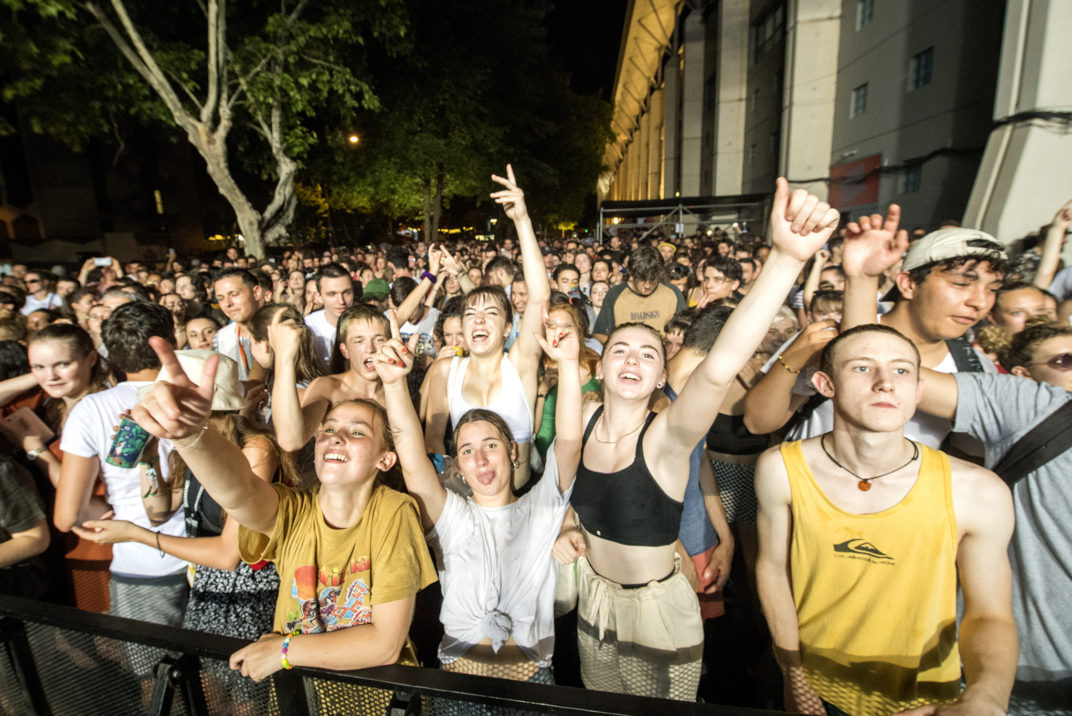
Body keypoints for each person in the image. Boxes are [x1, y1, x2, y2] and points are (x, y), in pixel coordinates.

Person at [555, 178, 840, 701]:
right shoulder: (587, 419)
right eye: (621, 349)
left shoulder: (667, 436)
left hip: (656, 612)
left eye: (648, 353)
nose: (633, 358)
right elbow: (567, 467)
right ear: (603, 364)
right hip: (594, 602)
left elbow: (718, 368)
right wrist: (569, 362)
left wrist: (784, 259)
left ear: (662, 376)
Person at [129, 338, 437, 681]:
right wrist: (189, 435)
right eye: (329, 429)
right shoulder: (294, 511)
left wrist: (285, 651)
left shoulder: (394, 512)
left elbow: (384, 644)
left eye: (357, 432)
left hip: (373, 699)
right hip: (299, 696)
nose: (336, 437)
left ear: (385, 459)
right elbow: (240, 490)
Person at [755, 324, 1017, 715]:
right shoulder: (781, 468)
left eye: (900, 371)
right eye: (862, 368)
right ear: (826, 385)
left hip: (927, 700)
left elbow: (990, 613)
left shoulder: (977, 491)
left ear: (918, 391)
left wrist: (986, 696)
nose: (884, 384)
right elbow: (774, 570)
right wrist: (793, 673)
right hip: (818, 689)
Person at [377, 311, 579, 687]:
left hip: (532, 686)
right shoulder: (449, 516)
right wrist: (393, 384)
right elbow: (411, 455)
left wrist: (567, 364)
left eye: (491, 445)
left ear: (513, 453)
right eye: (467, 451)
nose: (481, 459)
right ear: (459, 464)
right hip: (457, 688)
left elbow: (568, 443)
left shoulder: (541, 508)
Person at [73, 351, 294, 644]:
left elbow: (228, 556)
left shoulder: (256, 449)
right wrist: (148, 457)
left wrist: (136, 535)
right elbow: (158, 513)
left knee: (243, 685)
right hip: (204, 585)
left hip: (247, 594)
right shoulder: (187, 449)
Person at [909, 321, 1072, 714]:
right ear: (1022, 374)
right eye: (1066, 360)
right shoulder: (1034, 408)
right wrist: (862, 278)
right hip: (999, 684)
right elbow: (875, 367)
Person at [55, 302, 189, 626]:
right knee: (224, 668)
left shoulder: (91, 410)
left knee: (153, 673)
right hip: (212, 552)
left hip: (142, 563)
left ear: (109, 354)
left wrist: (107, 514)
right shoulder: (198, 395)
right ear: (169, 341)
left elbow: (66, 515)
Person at [424, 166, 550, 490]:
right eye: (471, 315)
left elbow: (539, 296)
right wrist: (461, 492)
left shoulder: (519, 365)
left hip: (520, 500)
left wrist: (522, 220)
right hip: (467, 505)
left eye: (491, 314)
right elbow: (433, 443)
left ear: (508, 328)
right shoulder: (445, 372)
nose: (479, 320)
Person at [592, 246, 685, 342]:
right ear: (631, 273)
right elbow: (600, 333)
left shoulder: (672, 292)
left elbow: (684, 331)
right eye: (642, 279)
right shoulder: (615, 294)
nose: (647, 285)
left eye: (653, 279)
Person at [212, 268, 264, 380]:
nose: (227, 303)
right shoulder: (221, 338)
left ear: (256, 292)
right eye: (220, 298)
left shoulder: (282, 330)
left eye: (234, 294)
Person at [304, 263, 356, 369]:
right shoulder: (308, 327)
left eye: (346, 292)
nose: (341, 301)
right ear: (319, 296)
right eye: (332, 294)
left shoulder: (368, 324)